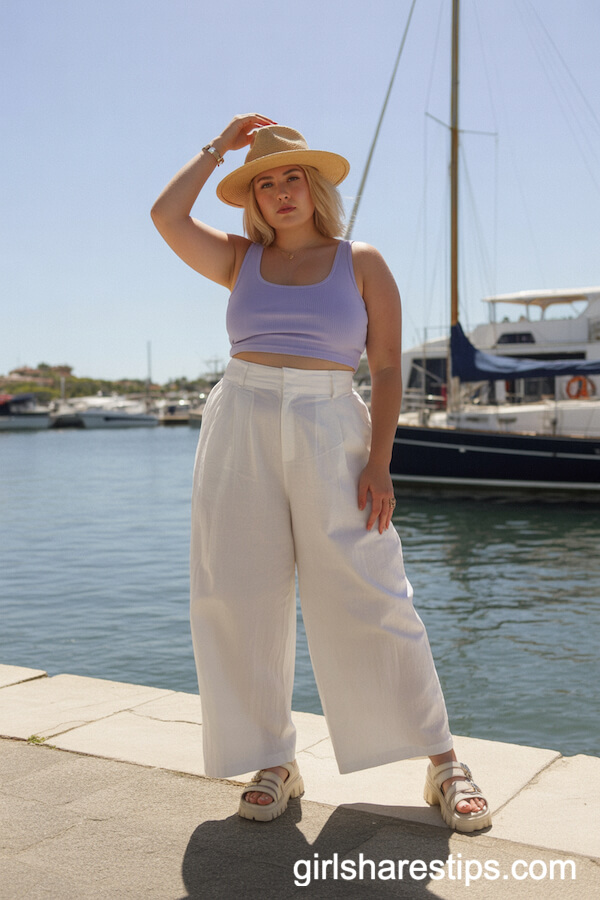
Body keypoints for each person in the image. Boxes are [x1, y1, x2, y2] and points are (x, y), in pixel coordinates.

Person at [151, 113, 491, 833]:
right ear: (253, 197)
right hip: (240, 418)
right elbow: (166, 216)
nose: (280, 192)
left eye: (292, 178)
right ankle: (273, 760)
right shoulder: (239, 259)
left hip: (331, 422)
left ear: (315, 188)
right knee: (236, 592)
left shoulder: (359, 261)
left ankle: (442, 761)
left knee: (372, 589)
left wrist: (380, 461)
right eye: (264, 183)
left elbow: (388, 367)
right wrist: (218, 148)